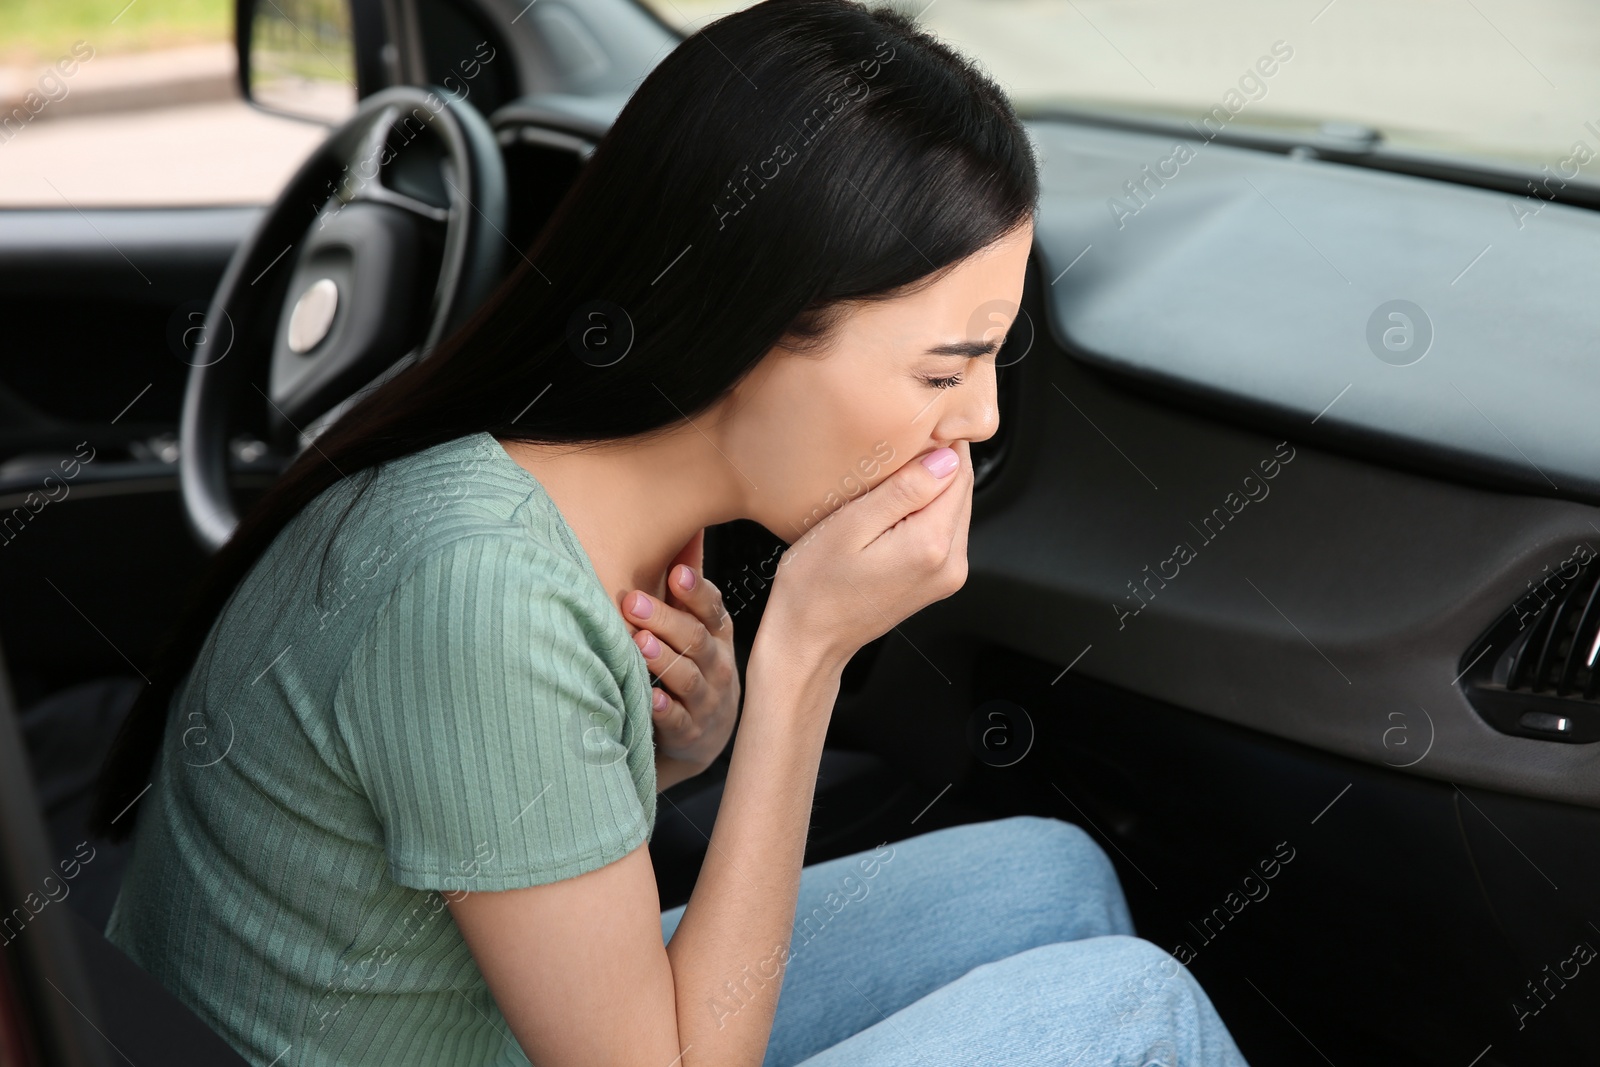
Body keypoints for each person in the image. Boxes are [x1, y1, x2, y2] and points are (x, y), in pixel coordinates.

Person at [91, 1, 1251, 1063]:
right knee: (1134, 1014)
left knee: (1052, 877)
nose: (985, 413)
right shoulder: (483, 595)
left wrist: (672, 757)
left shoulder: (531, 498)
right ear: (752, 327)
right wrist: (803, 659)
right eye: (946, 366)